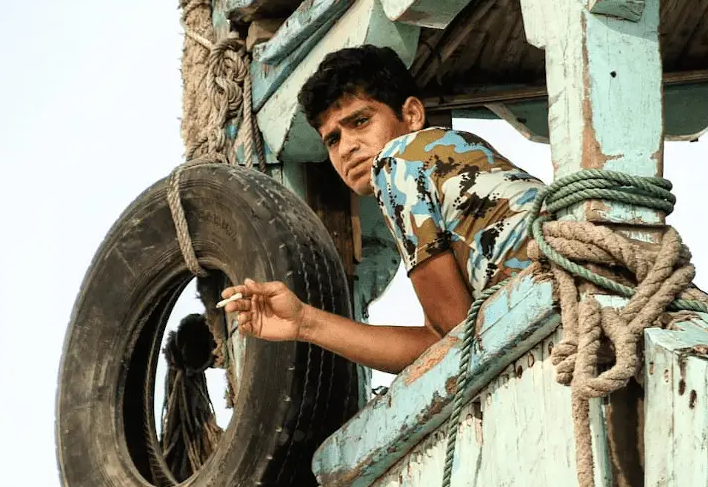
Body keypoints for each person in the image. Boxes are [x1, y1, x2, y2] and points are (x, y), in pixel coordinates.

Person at [222, 45, 542, 375]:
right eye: (332, 139)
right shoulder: (458, 150)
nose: (347, 147)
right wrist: (304, 321)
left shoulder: (397, 162)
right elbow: (443, 341)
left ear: (412, 115)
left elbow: (457, 339)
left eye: (360, 121)